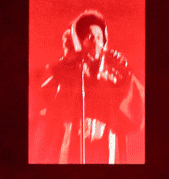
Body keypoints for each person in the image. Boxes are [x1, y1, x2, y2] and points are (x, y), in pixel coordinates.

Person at [30, 10, 143, 164]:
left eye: (98, 37)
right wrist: (65, 64)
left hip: (106, 144)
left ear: (104, 41)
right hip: (73, 144)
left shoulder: (115, 71)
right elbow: (39, 96)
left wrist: (124, 73)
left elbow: (137, 109)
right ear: (80, 42)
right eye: (89, 37)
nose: (95, 41)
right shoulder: (66, 71)